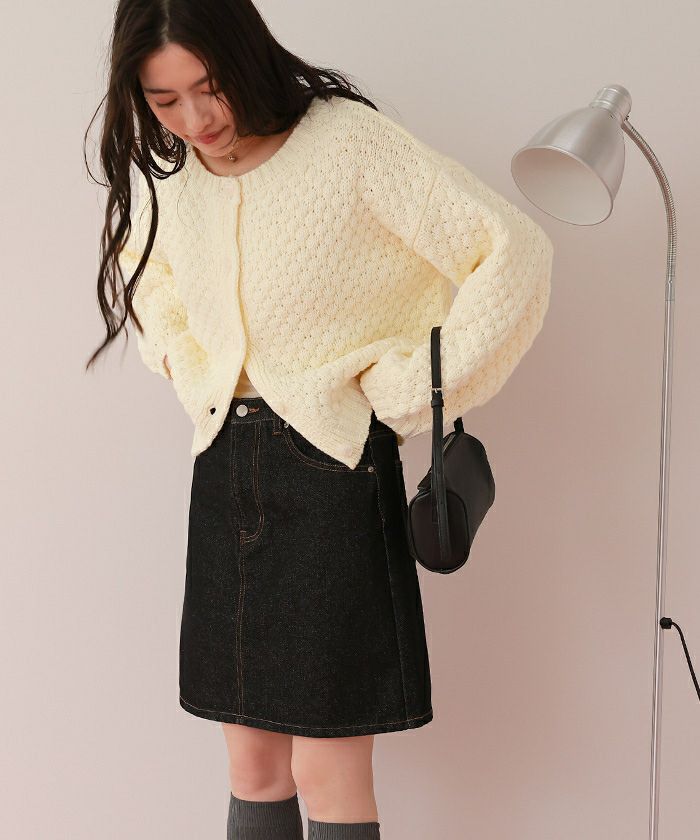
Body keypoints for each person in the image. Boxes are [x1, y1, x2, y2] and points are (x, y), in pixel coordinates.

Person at [85, 2, 554, 838]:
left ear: (245, 57)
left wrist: (407, 389)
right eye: (164, 102)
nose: (194, 119)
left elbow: (514, 250)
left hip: (333, 473)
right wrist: (195, 369)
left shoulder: (347, 145)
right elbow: (145, 275)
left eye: (209, 86)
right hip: (225, 472)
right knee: (252, 766)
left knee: (327, 773)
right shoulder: (175, 179)